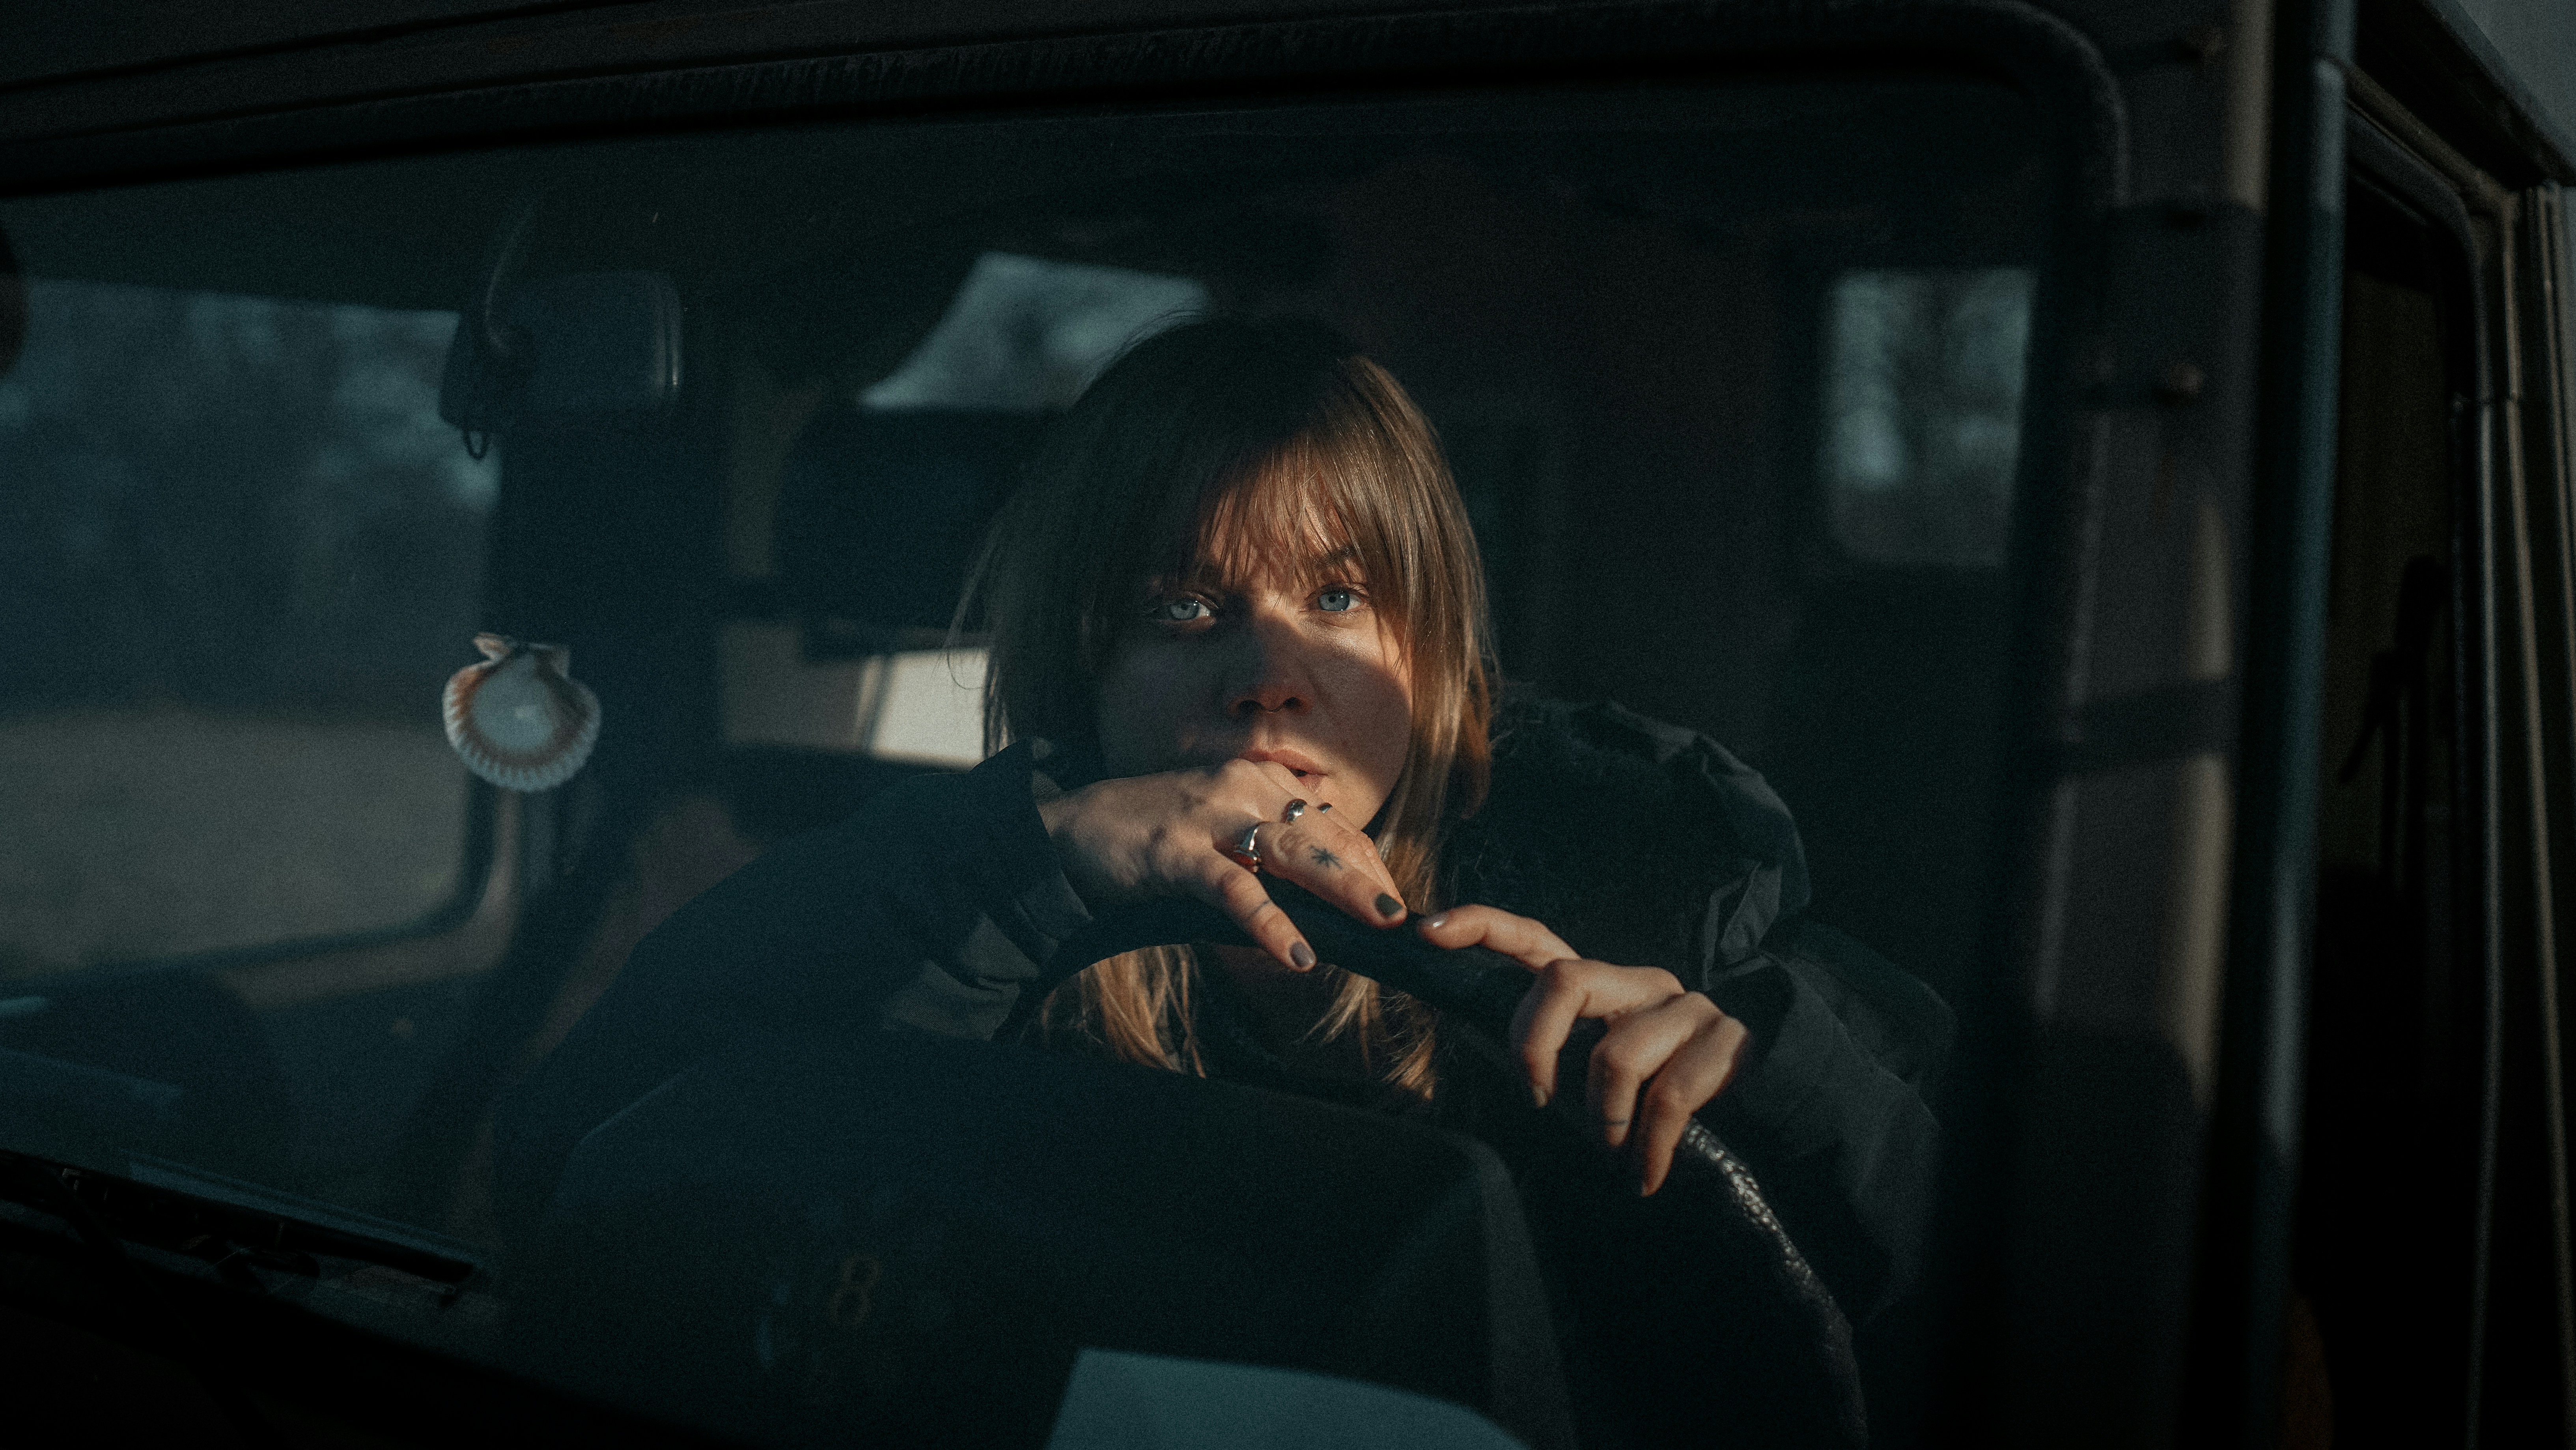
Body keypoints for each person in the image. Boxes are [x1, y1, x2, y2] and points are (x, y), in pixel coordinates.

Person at [493, 316, 1946, 1440]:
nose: (1267, 680)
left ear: (1432, 662)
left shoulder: (1661, 894)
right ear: (1087, 675)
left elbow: (2000, 1286)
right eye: (1182, 607)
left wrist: (1771, 1079)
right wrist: (1012, 881)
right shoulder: (975, 904)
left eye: (1336, 597)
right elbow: (593, 1174)